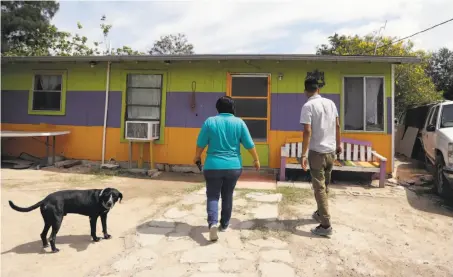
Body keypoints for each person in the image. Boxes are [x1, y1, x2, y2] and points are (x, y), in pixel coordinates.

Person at [194, 96, 260, 242]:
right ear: (232, 108)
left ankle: (212, 223)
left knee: (212, 196)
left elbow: (200, 143)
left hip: (213, 166)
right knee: (227, 194)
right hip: (233, 166)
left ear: (218, 108)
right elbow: (249, 144)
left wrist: (197, 157)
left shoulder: (210, 122)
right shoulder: (239, 123)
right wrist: (256, 159)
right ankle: (224, 224)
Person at [300, 77, 341, 237]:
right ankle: (319, 212)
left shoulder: (308, 106)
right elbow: (337, 125)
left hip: (317, 152)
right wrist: (339, 144)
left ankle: (325, 225)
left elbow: (307, 131)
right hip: (331, 151)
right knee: (325, 185)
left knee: (319, 188)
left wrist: (303, 154)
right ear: (319, 89)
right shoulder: (331, 103)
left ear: (305, 91)